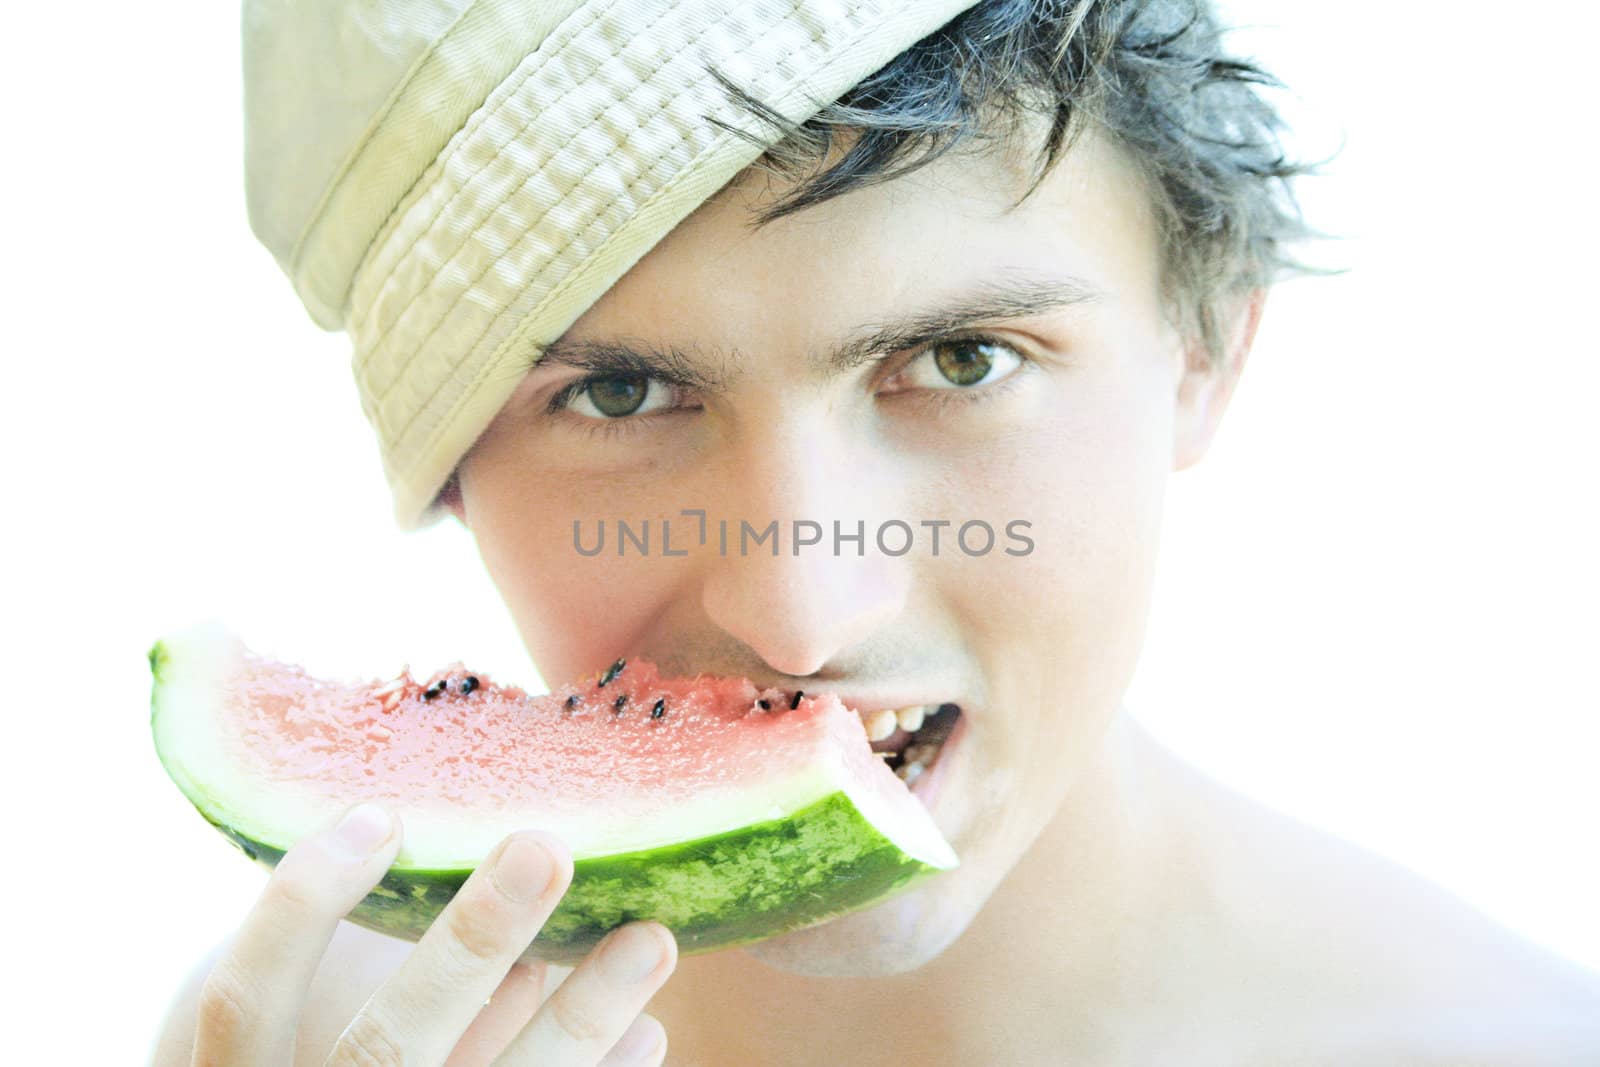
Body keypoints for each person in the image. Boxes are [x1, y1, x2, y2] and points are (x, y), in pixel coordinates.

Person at [155, 0, 1600, 1063]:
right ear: (450, 471)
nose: (803, 612)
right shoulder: (309, 1029)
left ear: (1205, 350)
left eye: (963, 359)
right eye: (618, 391)